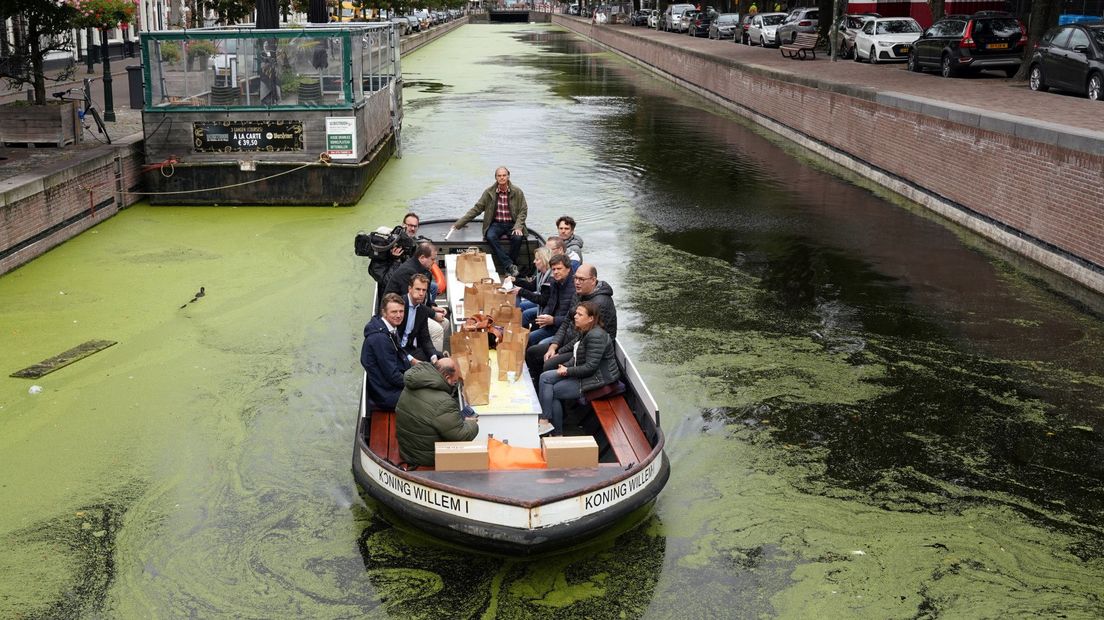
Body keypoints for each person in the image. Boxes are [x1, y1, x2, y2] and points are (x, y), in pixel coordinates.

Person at [537, 301, 621, 436]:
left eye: (580, 314)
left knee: (553, 390)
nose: (575, 316)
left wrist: (568, 371)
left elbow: (591, 367)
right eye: (576, 313)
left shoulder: (596, 336)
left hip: (597, 380)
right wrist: (567, 365)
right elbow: (577, 357)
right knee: (545, 376)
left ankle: (556, 433)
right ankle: (545, 421)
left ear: (591, 318)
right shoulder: (585, 331)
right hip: (585, 375)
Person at [527, 263, 616, 381]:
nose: (577, 282)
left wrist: (560, 352)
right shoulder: (578, 294)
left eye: (581, 279)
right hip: (569, 343)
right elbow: (566, 322)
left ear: (593, 280)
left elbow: (581, 337)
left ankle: (547, 387)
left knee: (549, 364)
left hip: (585, 350)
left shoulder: (600, 304)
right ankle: (536, 384)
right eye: (576, 278)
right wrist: (554, 345)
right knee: (532, 352)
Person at [395, 358, 479, 467]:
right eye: (454, 381)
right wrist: (472, 423)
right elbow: (460, 436)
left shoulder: (412, 385)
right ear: (447, 377)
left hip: (407, 450)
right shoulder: (444, 402)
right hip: (426, 457)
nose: (455, 384)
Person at [451, 166, 528, 277]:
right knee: (490, 236)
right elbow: (477, 209)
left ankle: (509, 266)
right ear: (496, 177)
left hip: (513, 223)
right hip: (496, 224)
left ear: (508, 176)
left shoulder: (517, 192)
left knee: (517, 237)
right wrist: (459, 223)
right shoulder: (489, 193)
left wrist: (518, 226)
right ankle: (510, 265)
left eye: (504, 175)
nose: (502, 178)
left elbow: (523, 210)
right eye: (499, 176)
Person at [359, 293, 411, 410]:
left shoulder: (385, 327)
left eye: (401, 311)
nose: (399, 315)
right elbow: (392, 376)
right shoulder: (380, 339)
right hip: (386, 394)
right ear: (384, 312)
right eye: (394, 312)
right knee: (426, 399)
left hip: (386, 386)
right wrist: (414, 382)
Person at [528, 254, 575, 347]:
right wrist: (544, 316)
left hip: (566, 330)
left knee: (541, 344)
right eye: (553, 269)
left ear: (568, 269)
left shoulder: (575, 288)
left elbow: (573, 318)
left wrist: (553, 320)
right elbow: (550, 304)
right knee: (528, 337)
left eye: (559, 268)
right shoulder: (554, 282)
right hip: (553, 325)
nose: (556, 272)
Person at [399, 274, 447, 362]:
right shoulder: (399, 306)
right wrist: (412, 360)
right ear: (410, 289)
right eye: (418, 289)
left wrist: (433, 355)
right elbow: (393, 339)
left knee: (441, 359)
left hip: (410, 349)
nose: (421, 293)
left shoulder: (422, 310)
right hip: (396, 351)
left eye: (424, 290)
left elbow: (425, 337)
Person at [504, 246, 553, 329]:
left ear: (545, 261)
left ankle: (522, 331)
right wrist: (515, 280)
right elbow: (532, 286)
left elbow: (542, 300)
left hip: (548, 310)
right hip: (544, 306)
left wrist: (521, 291)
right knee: (523, 306)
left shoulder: (550, 278)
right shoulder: (542, 274)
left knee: (526, 314)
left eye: (537, 259)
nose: (534, 262)